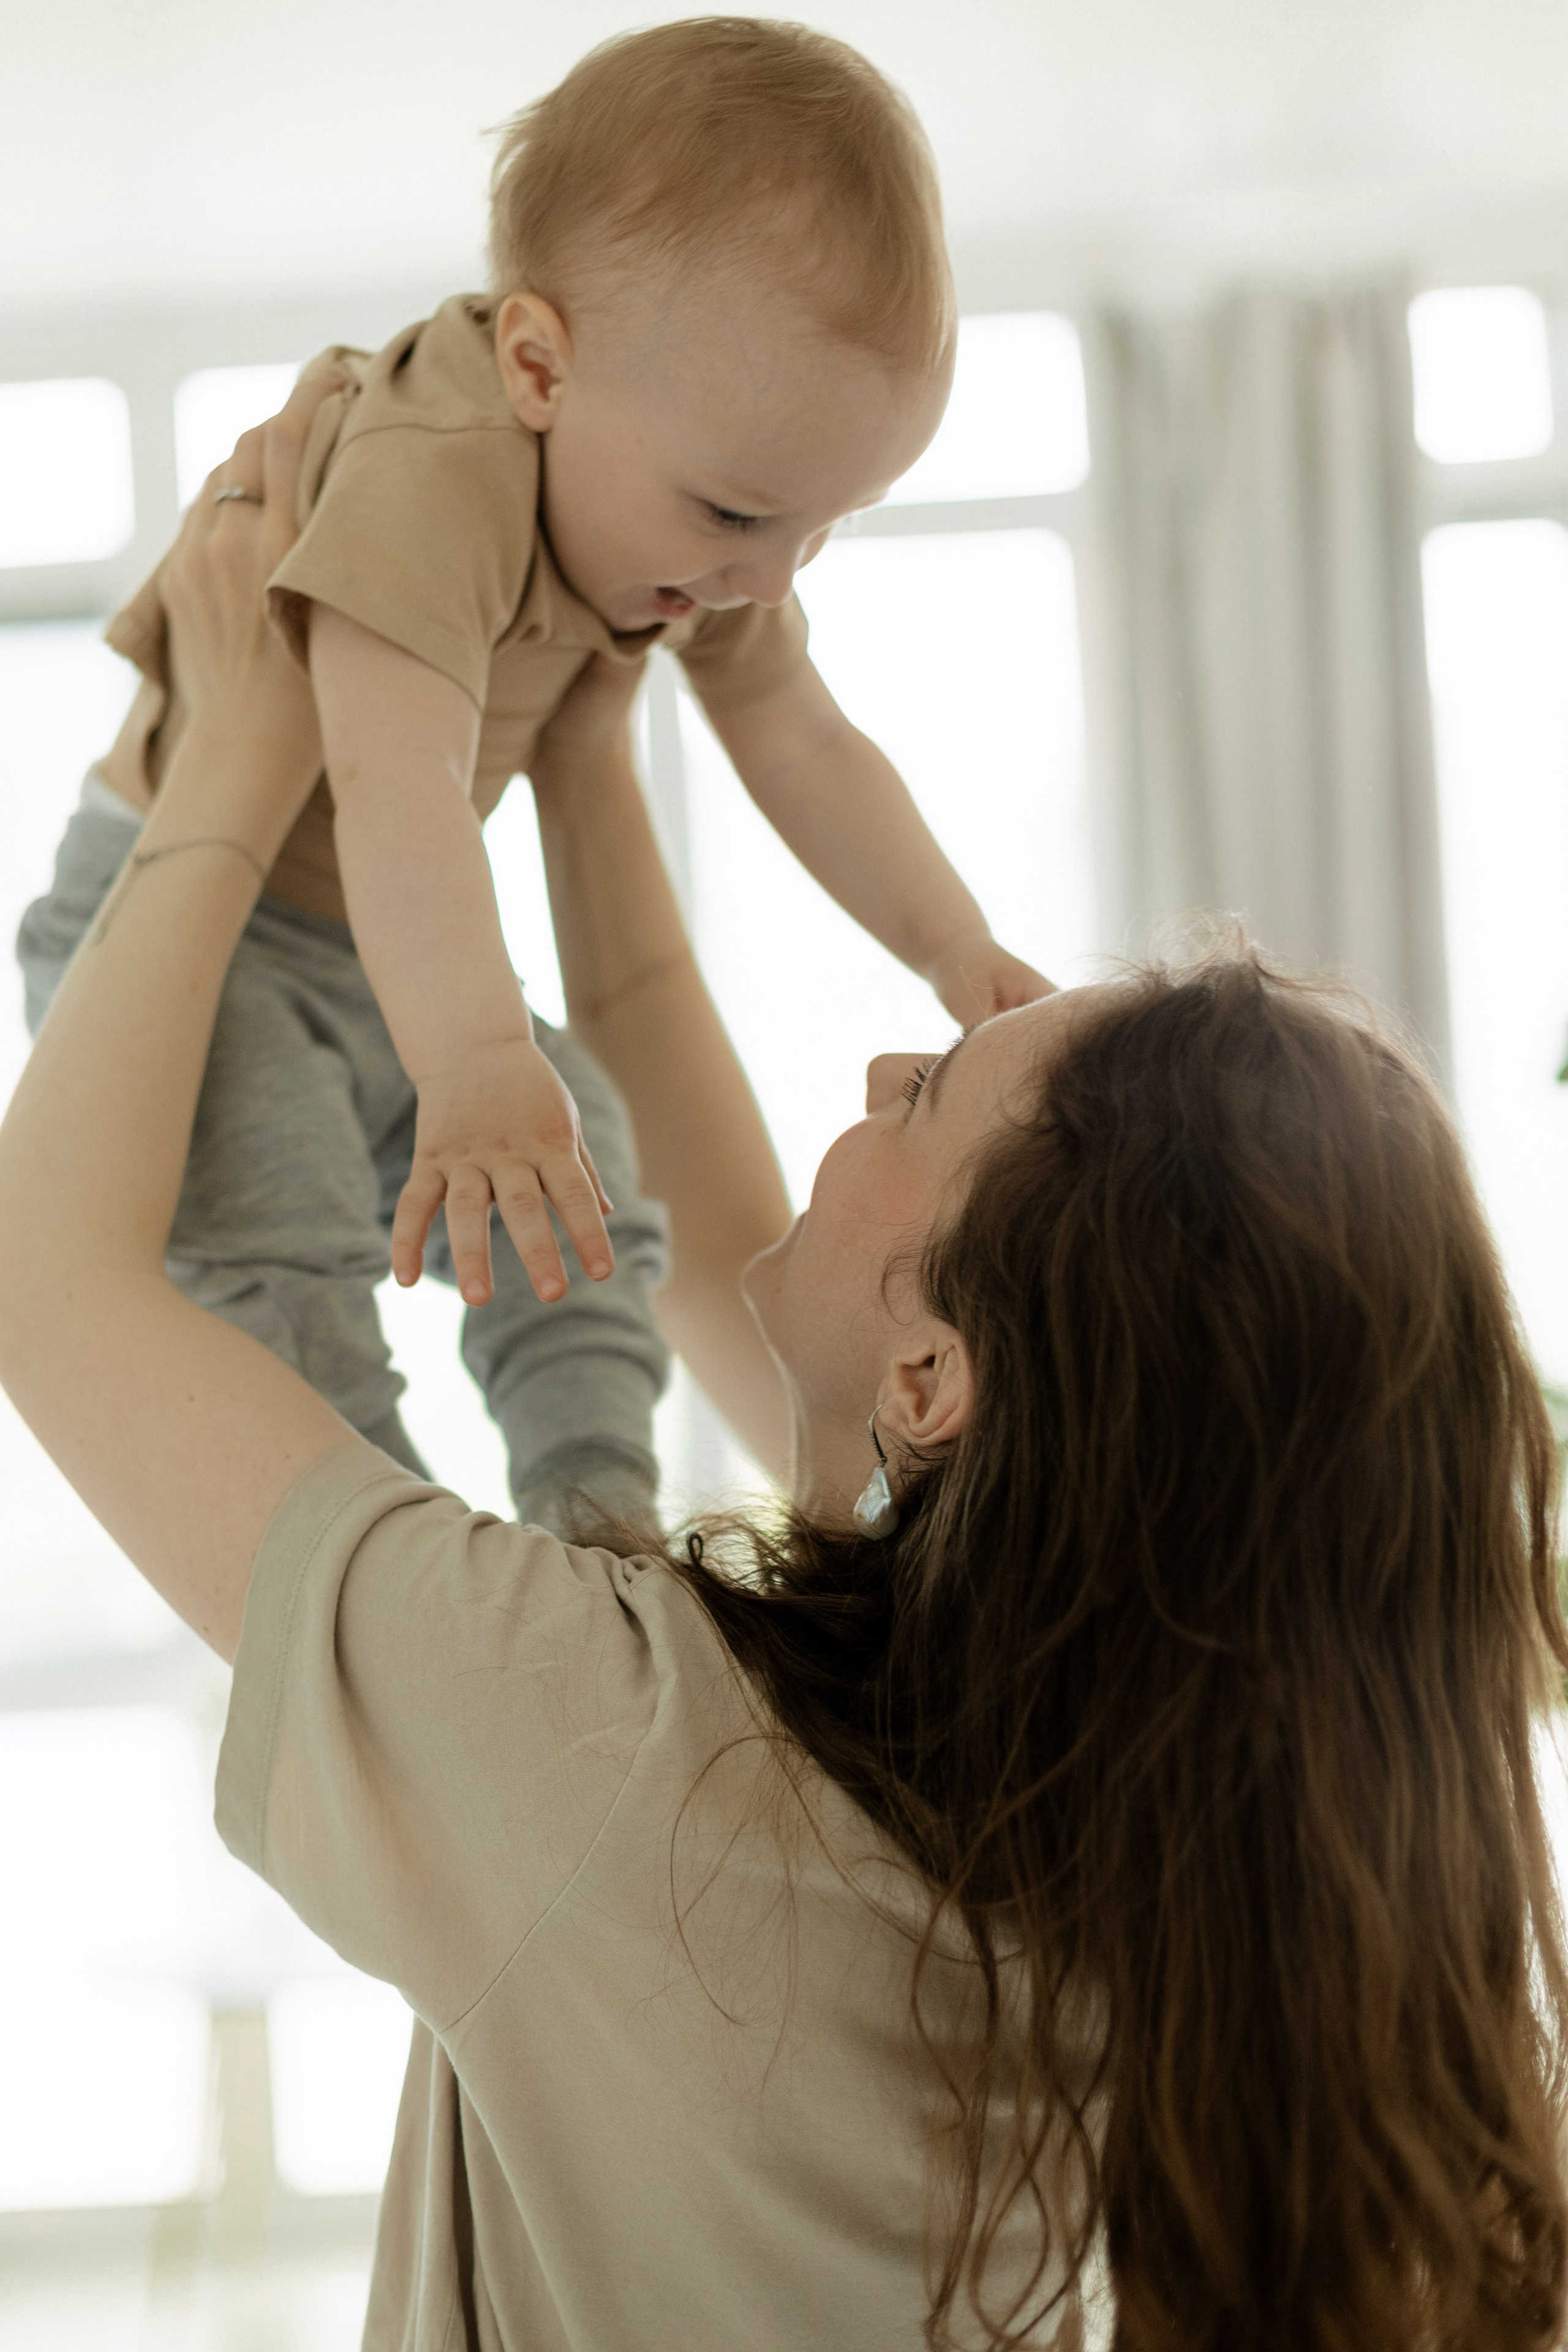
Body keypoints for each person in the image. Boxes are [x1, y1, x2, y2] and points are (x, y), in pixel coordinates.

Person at [2, 398, 1566, 2352]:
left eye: (919, 1095)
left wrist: (225, 767)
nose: (864, 1083)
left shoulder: (625, 1763)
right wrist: (586, 748)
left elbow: (57, 1286)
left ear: (930, 1375)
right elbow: (666, 1070)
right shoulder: (1171, 1922)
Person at [23, 17, 1047, 1537]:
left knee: (589, 1182)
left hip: (391, 947)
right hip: (194, 936)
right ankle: (380, 1544)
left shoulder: (703, 531)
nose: (763, 579)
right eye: (733, 514)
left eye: (820, 529)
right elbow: (396, 782)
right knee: (279, 1229)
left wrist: (948, 943)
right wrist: (476, 1065)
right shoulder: (429, 469)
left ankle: (593, 1515)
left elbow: (807, 742)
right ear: (536, 365)